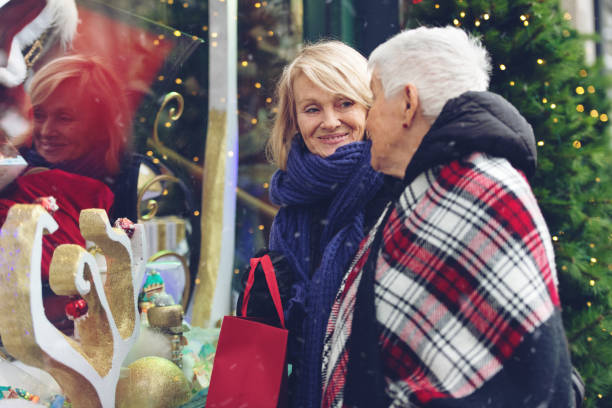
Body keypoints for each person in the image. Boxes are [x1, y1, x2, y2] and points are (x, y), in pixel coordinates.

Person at [321, 26, 576, 407]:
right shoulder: (435, 185)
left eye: (373, 100)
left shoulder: (479, 190)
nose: (367, 121)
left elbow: (526, 369)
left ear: (408, 103)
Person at [247, 41, 397, 408]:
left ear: (369, 108)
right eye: (312, 108)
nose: (330, 121)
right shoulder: (291, 206)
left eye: (345, 103)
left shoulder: (396, 191)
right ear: (294, 120)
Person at [0, 54, 129, 334]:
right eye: (40, 115)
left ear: (98, 124)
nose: (46, 131)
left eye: (64, 118)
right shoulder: (19, 169)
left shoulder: (92, 191)